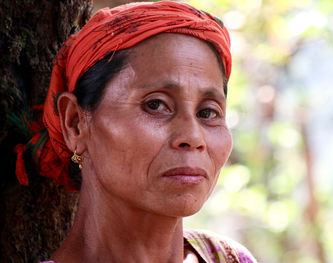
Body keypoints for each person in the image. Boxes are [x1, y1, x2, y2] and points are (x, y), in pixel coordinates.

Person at [14, 1, 258, 262]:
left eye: (208, 112)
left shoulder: (227, 258)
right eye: (155, 105)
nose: (193, 137)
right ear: (75, 123)